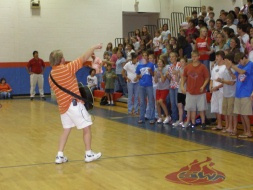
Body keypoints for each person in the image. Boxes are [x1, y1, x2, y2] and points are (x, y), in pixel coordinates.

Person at [48, 44, 102, 164]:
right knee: (87, 127)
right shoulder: (67, 68)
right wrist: (93, 47)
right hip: (74, 105)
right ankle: (88, 153)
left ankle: (59, 155)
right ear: (61, 59)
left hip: (63, 108)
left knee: (66, 130)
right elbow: (83, 58)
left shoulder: (51, 76)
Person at [226, 52, 253, 138]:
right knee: (241, 114)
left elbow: (242, 72)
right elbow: (234, 77)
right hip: (238, 93)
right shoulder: (240, 65)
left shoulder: (250, 64)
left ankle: (248, 132)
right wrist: (229, 69)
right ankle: (245, 131)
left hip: (246, 93)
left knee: (245, 114)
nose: (239, 63)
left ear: (243, 58)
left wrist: (232, 66)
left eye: (240, 61)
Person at [181, 51, 209, 129]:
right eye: (193, 56)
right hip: (190, 90)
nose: (194, 58)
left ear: (199, 57)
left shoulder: (203, 67)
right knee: (191, 108)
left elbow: (207, 78)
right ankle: (193, 122)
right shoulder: (188, 67)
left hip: (200, 91)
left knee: (201, 108)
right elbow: (184, 77)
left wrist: (203, 86)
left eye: (195, 56)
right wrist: (182, 86)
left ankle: (203, 122)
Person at [216, 53, 237, 135]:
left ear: (230, 61)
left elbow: (232, 82)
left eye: (226, 60)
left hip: (232, 93)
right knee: (226, 111)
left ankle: (233, 127)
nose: (224, 61)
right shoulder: (225, 69)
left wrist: (222, 81)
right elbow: (224, 80)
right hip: (226, 93)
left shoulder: (234, 69)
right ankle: (228, 126)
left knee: (232, 112)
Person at [136, 51, 155, 124]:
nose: (144, 56)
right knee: (142, 102)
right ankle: (141, 118)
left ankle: (152, 118)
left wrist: (151, 72)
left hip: (149, 85)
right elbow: (137, 75)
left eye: (146, 55)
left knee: (151, 102)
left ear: (147, 56)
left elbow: (153, 75)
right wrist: (139, 76)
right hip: (141, 85)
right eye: (143, 55)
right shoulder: (139, 65)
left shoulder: (151, 64)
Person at [210, 51, 226, 131]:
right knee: (215, 108)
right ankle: (219, 124)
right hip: (214, 90)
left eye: (218, 56)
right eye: (216, 56)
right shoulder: (215, 67)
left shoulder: (225, 67)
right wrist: (211, 87)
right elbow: (212, 79)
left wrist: (217, 87)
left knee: (222, 108)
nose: (216, 58)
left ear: (222, 57)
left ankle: (227, 126)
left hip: (222, 90)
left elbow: (225, 81)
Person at [154, 59, 171, 124]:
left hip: (165, 88)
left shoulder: (165, 70)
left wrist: (160, 72)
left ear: (163, 64)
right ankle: (160, 117)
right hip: (159, 88)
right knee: (157, 102)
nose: (159, 63)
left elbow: (163, 80)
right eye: (158, 62)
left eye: (160, 62)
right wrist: (155, 75)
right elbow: (155, 81)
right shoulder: (156, 70)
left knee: (161, 101)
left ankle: (167, 116)